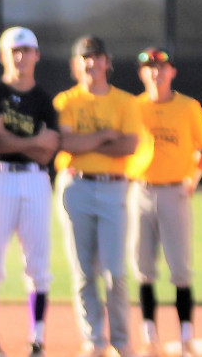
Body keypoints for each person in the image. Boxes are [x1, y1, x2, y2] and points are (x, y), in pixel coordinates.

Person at [53, 36, 147, 357]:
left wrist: (87, 142)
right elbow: (66, 144)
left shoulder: (125, 102)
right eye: (85, 57)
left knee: (114, 272)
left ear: (108, 62)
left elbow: (129, 146)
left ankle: (121, 341)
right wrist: (106, 135)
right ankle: (94, 340)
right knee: (83, 272)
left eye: (97, 56)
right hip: (75, 185)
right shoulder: (66, 101)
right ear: (76, 65)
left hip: (113, 187)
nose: (91, 62)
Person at [0, 26, 59, 357]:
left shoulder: (44, 99)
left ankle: (37, 338)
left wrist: (23, 143)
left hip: (36, 179)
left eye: (27, 50)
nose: (21, 56)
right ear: (3, 55)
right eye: (14, 50)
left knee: (38, 262)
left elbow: (48, 152)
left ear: (37, 55)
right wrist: (34, 140)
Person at [127, 48, 202, 357]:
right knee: (143, 268)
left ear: (172, 72)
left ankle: (186, 337)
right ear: (142, 73)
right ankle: (149, 337)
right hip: (140, 190)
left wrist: (192, 179)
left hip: (175, 190)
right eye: (150, 67)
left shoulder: (188, 107)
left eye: (161, 67)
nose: (156, 73)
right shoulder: (132, 107)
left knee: (180, 268)